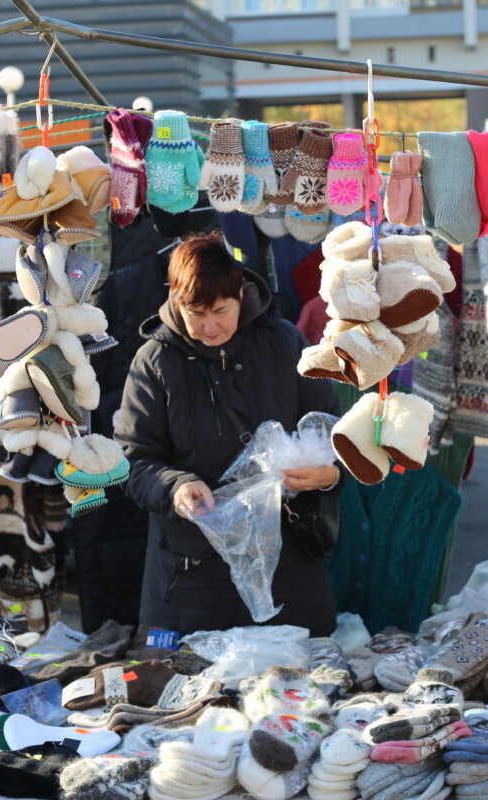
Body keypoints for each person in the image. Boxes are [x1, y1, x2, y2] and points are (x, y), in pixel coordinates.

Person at [115, 231, 342, 637]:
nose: (210, 325)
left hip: (287, 564)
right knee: (187, 686)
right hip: (191, 571)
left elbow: (334, 429)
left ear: (241, 293)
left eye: (220, 309)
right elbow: (133, 459)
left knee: (298, 685)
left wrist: (331, 473)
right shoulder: (155, 360)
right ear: (175, 301)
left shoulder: (285, 343)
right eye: (195, 313)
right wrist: (176, 486)